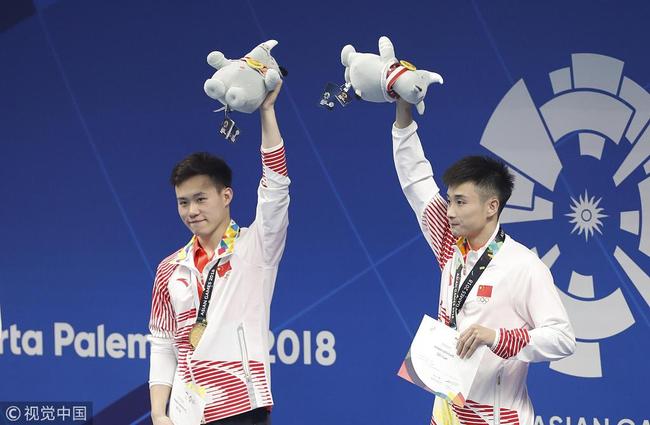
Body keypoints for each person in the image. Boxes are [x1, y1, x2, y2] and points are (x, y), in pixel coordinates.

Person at [391, 98, 576, 425]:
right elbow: (416, 180)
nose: (449, 212)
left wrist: (498, 337)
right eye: (449, 201)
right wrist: (403, 113)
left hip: (498, 418)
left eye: (460, 202)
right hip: (445, 413)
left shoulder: (523, 266)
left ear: (492, 206)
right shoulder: (450, 243)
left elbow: (562, 338)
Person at [148, 82, 289, 425]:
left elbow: (276, 187)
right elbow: (164, 343)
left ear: (226, 196)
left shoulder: (256, 247)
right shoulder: (170, 269)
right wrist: (158, 412)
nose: (192, 210)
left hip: (242, 407)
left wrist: (266, 113)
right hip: (185, 412)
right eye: (183, 202)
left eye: (200, 199)